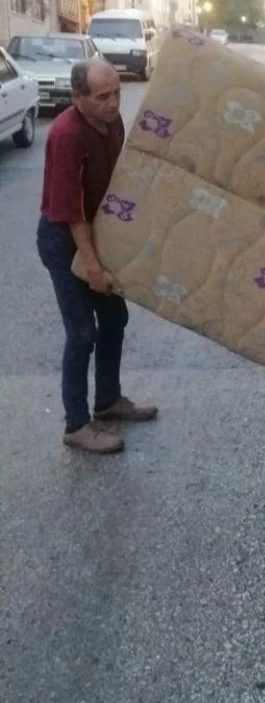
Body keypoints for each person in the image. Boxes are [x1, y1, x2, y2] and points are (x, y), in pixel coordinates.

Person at [36, 58, 157, 454]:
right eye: (103, 97)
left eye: (117, 93)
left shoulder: (112, 122)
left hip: (97, 231)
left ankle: (107, 400)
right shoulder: (66, 135)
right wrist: (93, 267)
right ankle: (76, 425)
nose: (113, 103)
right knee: (82, 332)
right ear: (77, 97)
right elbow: (72, 213)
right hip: (64, 238)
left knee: (114, 318)